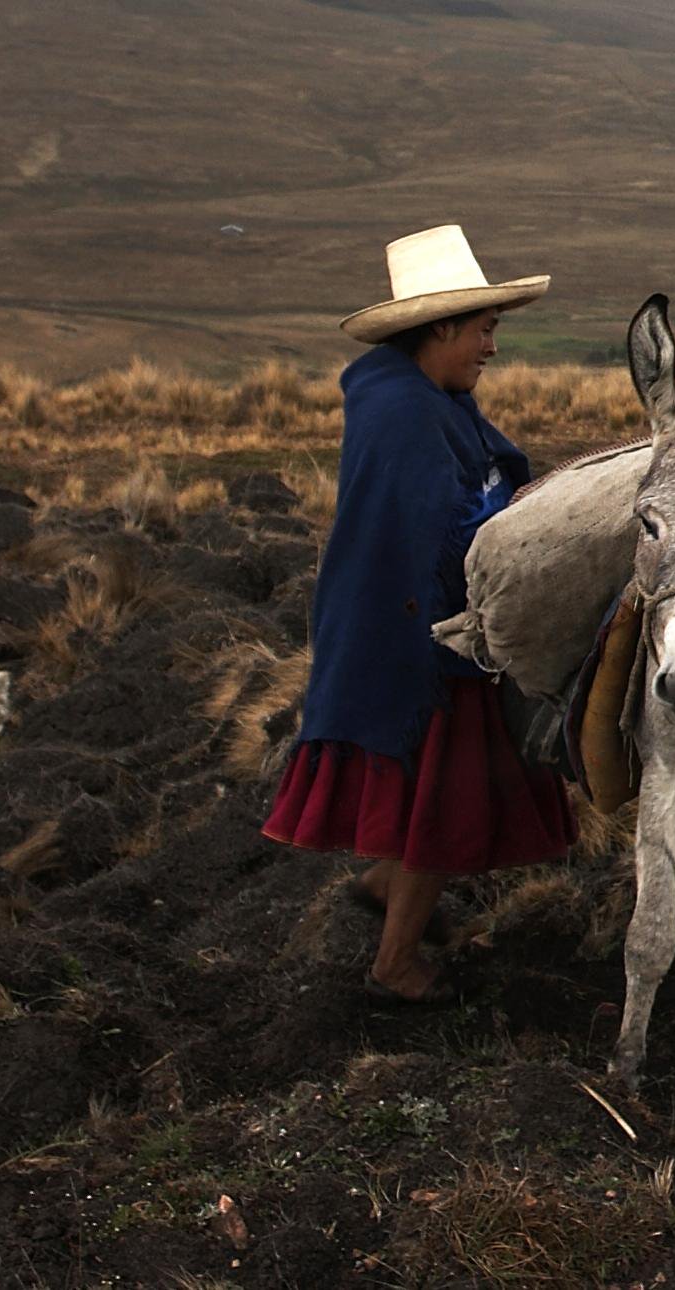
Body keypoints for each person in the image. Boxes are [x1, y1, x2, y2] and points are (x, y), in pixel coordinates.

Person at [262, 225, 577, 1006]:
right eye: (483, 329)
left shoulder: (424, 401)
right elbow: (435, 538)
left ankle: (382, 888)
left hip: (416, 634)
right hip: (422, 646)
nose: (490, 349)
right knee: (442, 800)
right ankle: (395, 965)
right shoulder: (406, 417)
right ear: (440, 327)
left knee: (437, 797)